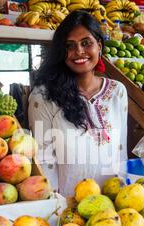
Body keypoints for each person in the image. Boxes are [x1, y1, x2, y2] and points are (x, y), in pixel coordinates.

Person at [28, 10, 128, 196]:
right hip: (68, 208)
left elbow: (121, 151)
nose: (79, 52)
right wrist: (57, 207)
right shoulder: (43, 97)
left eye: (86, 43)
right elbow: (44, 160)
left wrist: (122, 196)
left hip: (111, 205)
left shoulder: (117, 92)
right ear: (61, 52)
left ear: (99, 45)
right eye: (70, 46)